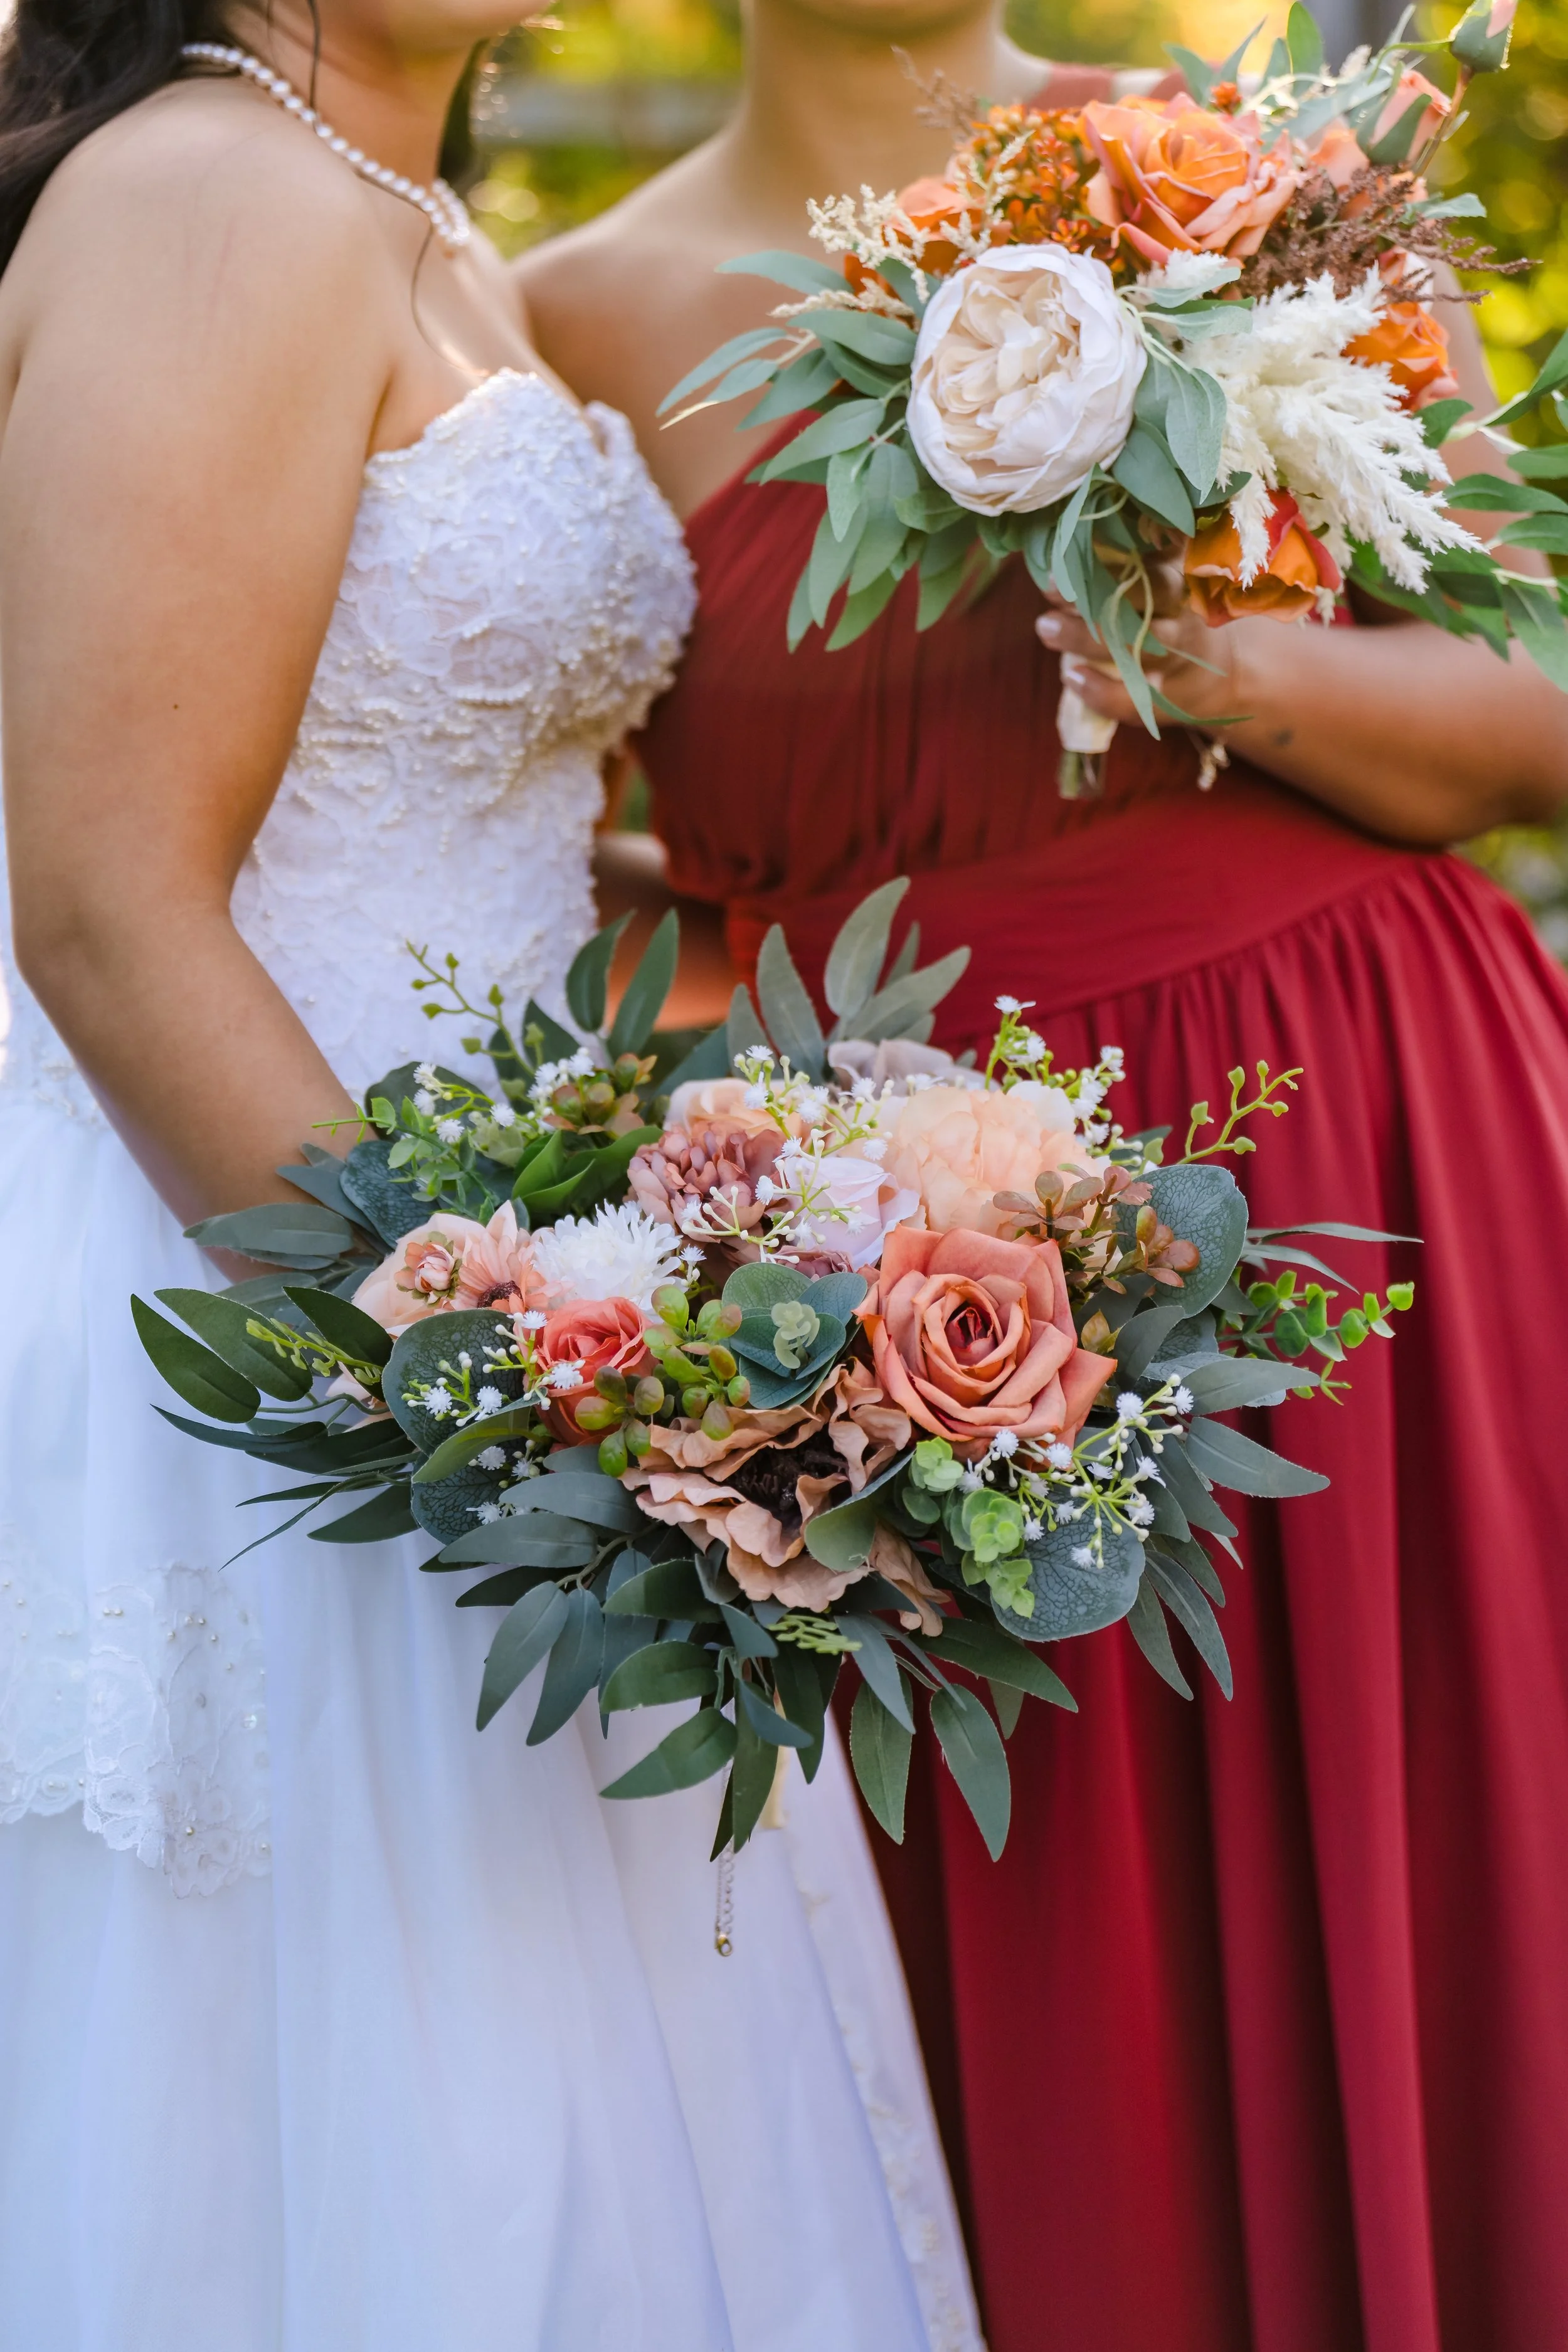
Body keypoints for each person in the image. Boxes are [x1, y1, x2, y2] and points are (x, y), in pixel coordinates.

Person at [518, 6, 1568, 2349]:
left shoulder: (1229, 178)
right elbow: (653, 874)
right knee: (1056, 2004)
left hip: (1370, 1150)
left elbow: (1531, 712)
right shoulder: (566, 315)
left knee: (1450, 1904)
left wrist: (1237, 670)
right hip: (936, 1293)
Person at [0, 8, 985, 2348]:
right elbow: (110, 903)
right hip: (276, 1320)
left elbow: (464, 841)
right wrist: (505, 1396)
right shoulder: (207, 197)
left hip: (524, 1284)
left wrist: (825, 1159)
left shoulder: (430, 229)